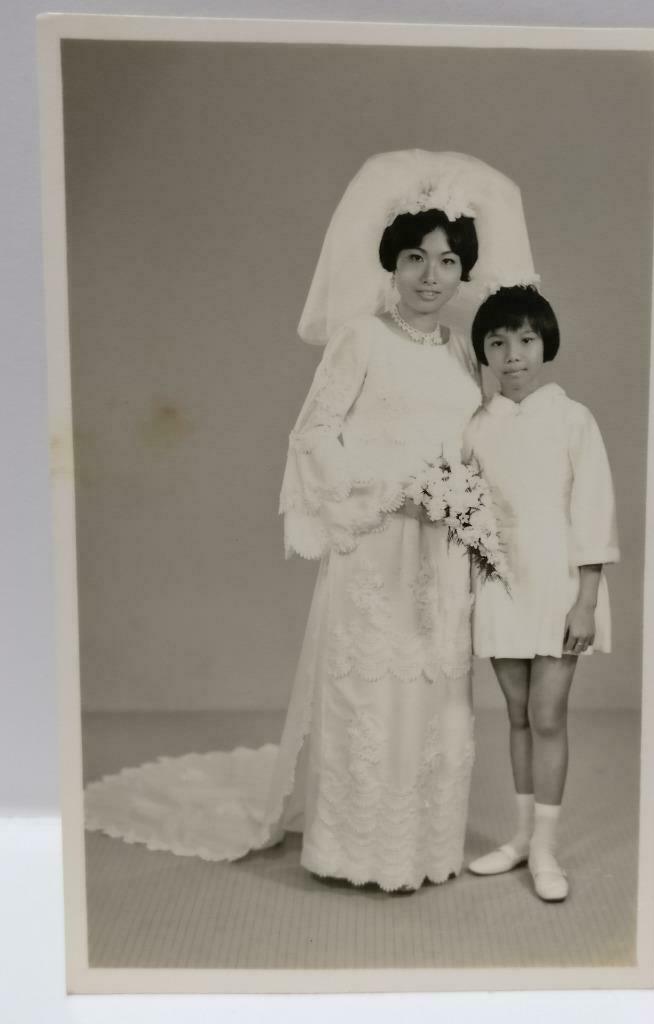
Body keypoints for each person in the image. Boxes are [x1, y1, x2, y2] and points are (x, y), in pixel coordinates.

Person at [83, 151, 540, 892]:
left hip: (440, 558)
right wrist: (394, 489)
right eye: (417, 257)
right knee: (369, 692)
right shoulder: (362, 339)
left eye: (449, 260)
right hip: (377, 548)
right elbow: (313, 437)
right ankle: (355, 850)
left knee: (435, 700)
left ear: (465, 271)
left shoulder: (462, 350)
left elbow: (472, 445)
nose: (431, 275)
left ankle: (423, 847)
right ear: (391, 262)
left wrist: (471, 502)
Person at [463, 286, 619, 901]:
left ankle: (547, 850)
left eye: (525, 340)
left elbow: (594, 510)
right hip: (501, 585)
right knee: (517, 714)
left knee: (548, 715)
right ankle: (522, 837)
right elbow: (468, 514)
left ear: (545, 343)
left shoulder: (572, 417)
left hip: (559, 585)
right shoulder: (476, 426)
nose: (513, 356)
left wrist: (586, 598)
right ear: (484, 352)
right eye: (498, 343)